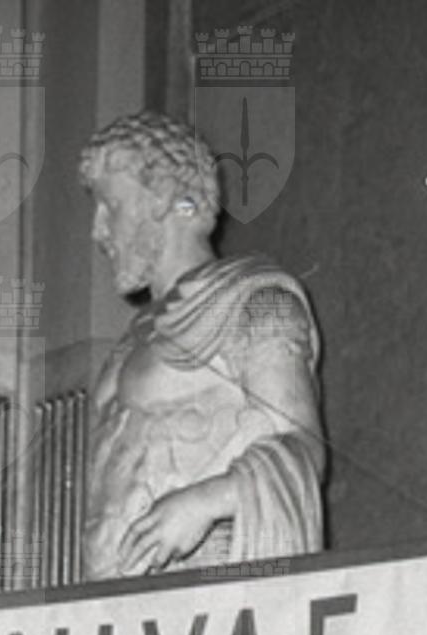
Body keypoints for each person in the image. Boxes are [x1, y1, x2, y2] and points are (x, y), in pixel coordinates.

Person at [78, 109, 325, 580]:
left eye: (111, 206)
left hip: (212, 588)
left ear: (170, 199)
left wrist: (205, 503)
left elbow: (301, 448)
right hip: (116, 595)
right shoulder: (131, 340)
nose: (98, 230)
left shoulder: (254, 301)